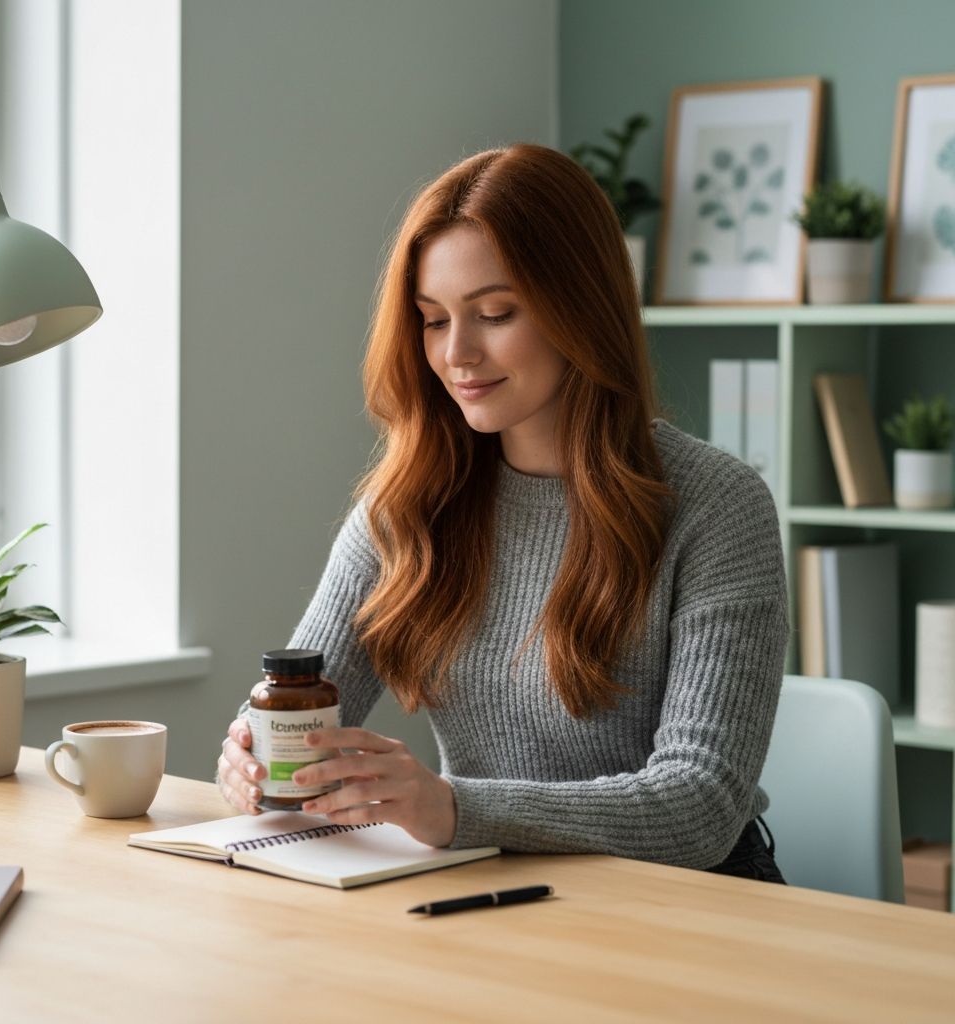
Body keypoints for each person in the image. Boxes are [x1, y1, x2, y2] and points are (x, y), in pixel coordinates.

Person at [217, 143, 789, 881]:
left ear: (580, 308)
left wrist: (452, 808)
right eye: (431, 320)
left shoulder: (716, 506)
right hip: (493, 889)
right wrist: (255, 764)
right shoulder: (406, 506)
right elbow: (296, 707)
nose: (457, 353)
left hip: (690, 907)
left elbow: (699, 807)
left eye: (494, 313)